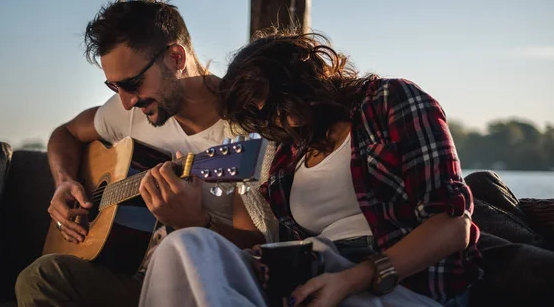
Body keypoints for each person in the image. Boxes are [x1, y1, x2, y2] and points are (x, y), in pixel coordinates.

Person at [139, 29, 483, 307]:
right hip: (314, 279)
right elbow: (260, 247)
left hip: (400, 286)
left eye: (270, 106)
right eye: (258, 119)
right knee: (184, 246)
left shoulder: (388, 101)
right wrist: (196, 222)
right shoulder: (285, 157)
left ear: (300, 75)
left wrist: (353, 279)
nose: (271, 123)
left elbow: (453, 227)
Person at [15, 0, 277, 306]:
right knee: (40, 277)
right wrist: (64, 182)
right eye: (114, 87)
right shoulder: (130, 111)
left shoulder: (244, 132)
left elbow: (257, 249)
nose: (126, 103)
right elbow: (66, 133)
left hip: (202, 285)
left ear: (176, 58)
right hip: (131, 275)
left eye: (131, 84)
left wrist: (195, 223)